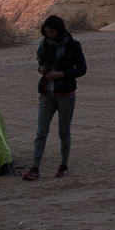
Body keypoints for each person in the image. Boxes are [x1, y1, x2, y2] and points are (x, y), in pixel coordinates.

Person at [26, 14, 86, 181]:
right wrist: (41, 70)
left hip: (65, 93)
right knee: (41, 131)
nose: (48, 35)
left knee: (63, 132)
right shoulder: (44, 45)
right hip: (47, 92)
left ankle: (64, 166)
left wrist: (60, 74)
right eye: (46, 32)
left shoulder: (73, 45)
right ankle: (35, 168)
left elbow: (81, 69)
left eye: (51, 32)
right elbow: (40, 64)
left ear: (58, 31)